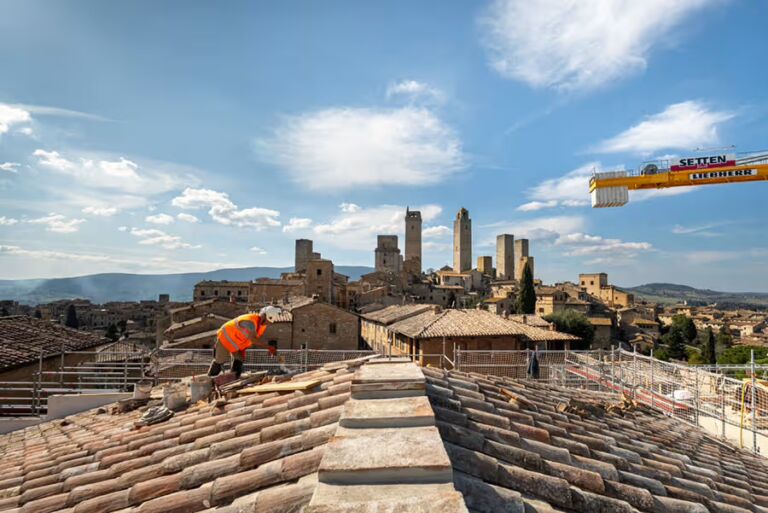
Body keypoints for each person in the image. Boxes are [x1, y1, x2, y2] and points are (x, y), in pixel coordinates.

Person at [208, 306, 283, 378]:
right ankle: (210, 379)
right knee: (220, 360)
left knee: (239, 359)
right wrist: (269, 347)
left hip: (235, 344)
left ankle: (234, 378)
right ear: (264, 316)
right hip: (225, 338)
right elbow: (253, 339)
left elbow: (254, 338)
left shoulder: (261, 325)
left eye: (269, 323)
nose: (268, 324)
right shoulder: (250, 322)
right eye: (268, 322)